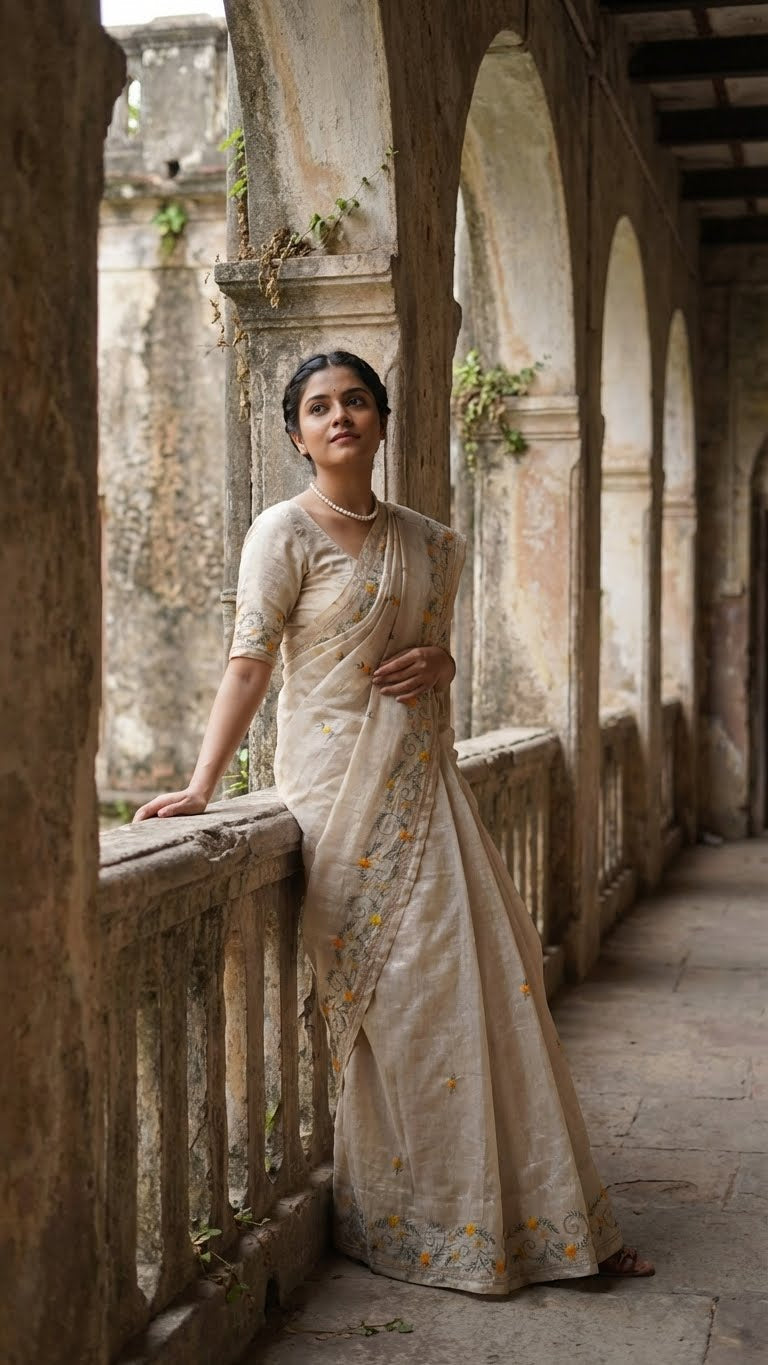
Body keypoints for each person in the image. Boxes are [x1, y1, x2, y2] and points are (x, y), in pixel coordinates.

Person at [135, 350, 653, 1292]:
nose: (341, 417)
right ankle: (426, 1217)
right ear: (296, 434)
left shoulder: (430, 542)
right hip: (336, 787)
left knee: (498, 978)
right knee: (408, 995)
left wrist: (446, 669)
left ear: (379, 421)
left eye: (357, 402)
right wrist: (205, 785)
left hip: (423, 780)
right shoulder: (280, 534)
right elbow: (250, 662)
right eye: (320, 407)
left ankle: (535, 1216)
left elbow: (431, 656)